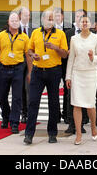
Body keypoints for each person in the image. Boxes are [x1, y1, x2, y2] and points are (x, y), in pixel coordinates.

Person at [23, 10, 68, 145]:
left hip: (54, 71)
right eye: (48, 18)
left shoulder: (60, 34)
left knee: (53, 103)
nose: (50, 21)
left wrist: (55, 47)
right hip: (38, 71)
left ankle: (52, 133)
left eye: (52, 18)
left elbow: (65, 54)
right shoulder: (36, 33)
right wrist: (32, 55)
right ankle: (29, 134)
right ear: (42, 19)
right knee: (33, 102)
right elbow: (29, 50)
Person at [0, 12, 32, 134]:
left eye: (16, 20)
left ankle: (14, 122)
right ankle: (6, 116)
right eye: (12, 20)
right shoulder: (1, 36)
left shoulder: (24, 37)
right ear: (8, 22)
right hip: (3, 68)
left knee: (17, 97)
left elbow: (28, 56)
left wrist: (30, 72)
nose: (14, 22)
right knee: (2, 96)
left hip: (18, 69)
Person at [65, 15, 97, 145]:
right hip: (77, 73)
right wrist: (68, 77)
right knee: (76, 104)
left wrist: (93, 57)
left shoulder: (96, 38)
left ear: (91, 24)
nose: (85, 23)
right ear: (79, 24)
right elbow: (71, 59)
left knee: (90, 105)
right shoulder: (74, 39)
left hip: (91, 74)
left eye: (87, 21)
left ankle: (93, 127)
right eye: (82, 22)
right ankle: (79, 134)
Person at [64, 9, 89, 134]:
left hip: (84, 70)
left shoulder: (90, 34)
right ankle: (71, 123)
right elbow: (63, 51)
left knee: (82, 97)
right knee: (70, 97)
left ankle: (82, 123)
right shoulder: (68, 33)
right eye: (77, 17)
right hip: (71, 70)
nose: (79, 19)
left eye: (82, 17)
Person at [19, 7, 31, 124]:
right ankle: (23, 112)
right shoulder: (14, 30)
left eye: (28, 15)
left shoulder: (34, 30)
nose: (26, 17)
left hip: (30, 64)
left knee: (28, 89)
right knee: (21, 89)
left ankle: (28, 113)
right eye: (24, 15)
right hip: (17, 63)